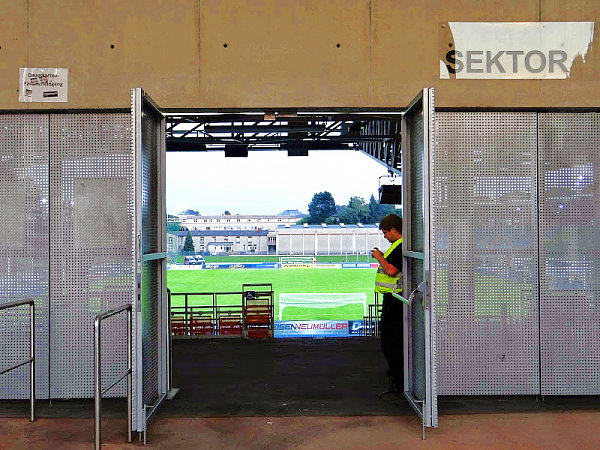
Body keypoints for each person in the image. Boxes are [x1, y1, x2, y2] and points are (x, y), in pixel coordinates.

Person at [371, 214, 403, 398]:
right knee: (389, 342)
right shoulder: (396, 246)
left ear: (393, 229)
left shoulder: (400, 246)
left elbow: (391, 271)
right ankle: (396, 378)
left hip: (396, 300)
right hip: (392, 299)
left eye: (385, 232)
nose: (384, 236)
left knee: (391, 343)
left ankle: (398, 382)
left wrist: (379, 257)